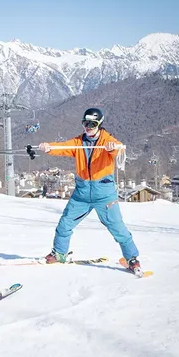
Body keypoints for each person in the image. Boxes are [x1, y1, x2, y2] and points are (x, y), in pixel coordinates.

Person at [38, 108, 142, 274]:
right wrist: (48, 147)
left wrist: (111, 148)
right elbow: (63, 147)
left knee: (117, 228)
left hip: (104, 194)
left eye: (92, 124)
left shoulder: (107, 140)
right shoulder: (79, 142)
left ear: (99, 124)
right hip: (82, 194)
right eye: (86, 124)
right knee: (64, 224)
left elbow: (118, 151)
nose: (88, 127)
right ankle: (59, 253)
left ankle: (132, 259)